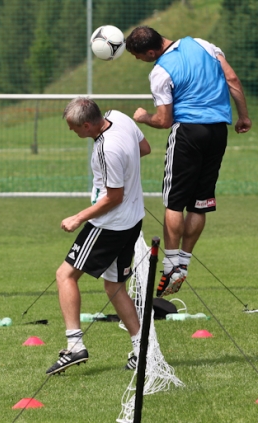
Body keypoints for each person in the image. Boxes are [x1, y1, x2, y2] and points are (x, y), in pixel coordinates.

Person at [126, 26, 252, 298]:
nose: (140, 61)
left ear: (151, 51)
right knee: (201, 201)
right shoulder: (203, 44)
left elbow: (164, 120)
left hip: (188, 133)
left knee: (174, 201)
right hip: (218, 131)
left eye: (139, 57)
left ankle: (171, 266)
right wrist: (243, 115)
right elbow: (232, 78)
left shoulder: (160, 71)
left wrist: (143, 117)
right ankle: (183, 262)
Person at [46, 97, 152, 375]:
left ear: (88, 124)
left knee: (65, 275)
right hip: (133, 221)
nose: (72, 132)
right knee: (114, 286)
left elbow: (114, 197)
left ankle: (75, 345)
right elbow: (145, 148)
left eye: (74, 128)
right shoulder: (120, 117)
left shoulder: (106, 150)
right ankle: (142, 350)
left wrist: (78, 217)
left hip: (108, 225)